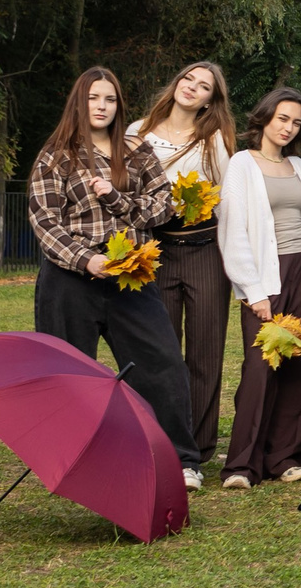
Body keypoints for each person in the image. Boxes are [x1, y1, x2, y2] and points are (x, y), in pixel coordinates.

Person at [28, 67, 202, 487]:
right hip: (70, 276)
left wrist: (120, 200)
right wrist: (85, 260)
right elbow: (44, 220)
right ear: (79, 103)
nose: (101, 106)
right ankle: (68, 461)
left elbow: (164, 207)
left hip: (131, 273)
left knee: (161, 363)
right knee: (68, 374)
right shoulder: (56, 154)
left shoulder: (136, 151)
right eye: (93, 98)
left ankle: (180, 459)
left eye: (109, 99)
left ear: (119, 106)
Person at [215, 87, 301, 486]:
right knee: (261, 364)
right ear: (266, 118)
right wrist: (253, 289)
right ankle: (241, 465)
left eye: (297, 122)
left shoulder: (299, 166)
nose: (288, 127)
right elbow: (232, 229)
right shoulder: (241, 164)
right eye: (283, 118)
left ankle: (285, 457)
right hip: (266, 274)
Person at [126, 61, 235, 472]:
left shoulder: (215, 140)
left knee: (205, 353)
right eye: (188, 79)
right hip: (154, 252)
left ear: (211, 99)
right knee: (161, 353)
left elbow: (228, 200)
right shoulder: (137, 132)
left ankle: (198, 449)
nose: (192, 87)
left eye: (203, 85)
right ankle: (159, 439)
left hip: (205, 249)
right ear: (176, 84)